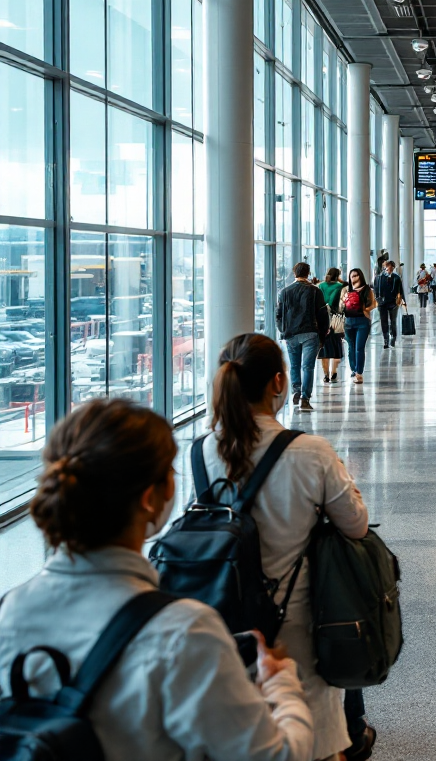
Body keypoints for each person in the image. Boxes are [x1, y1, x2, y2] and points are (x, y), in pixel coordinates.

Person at [0, 398, 314, 760]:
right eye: (171, 472)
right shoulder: (184, 632)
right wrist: (281, 683)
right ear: (151, 498)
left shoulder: (9, 611)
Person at [206, 335, 372, 760]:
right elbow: (356, 526)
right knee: (316, 737)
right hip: (297, 623)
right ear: (279, 381)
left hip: (224, 621)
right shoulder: (310, 452)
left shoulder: (202, 451)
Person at [275, 261, 329, 412]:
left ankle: (296, 391)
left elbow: (278, 315)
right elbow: (323, 315)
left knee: (294, 365)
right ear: (308, 273)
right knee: (308, 367)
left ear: (294, 273)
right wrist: (322, 336)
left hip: (291, 334)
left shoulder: (284, 292)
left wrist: (283, 330)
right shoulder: (315, 291)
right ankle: (305, 398)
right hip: (310, 333)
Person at [342, 269, 377, 384]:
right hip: (348, 321)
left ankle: (359, 373)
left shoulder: (367, 290)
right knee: (351, 347)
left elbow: (373, 304)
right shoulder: (347, 290)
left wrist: (364, 309)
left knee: (359, 347)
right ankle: (353, 369)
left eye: (357, 275)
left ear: (361, 276)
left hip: (362, 321)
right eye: (352, 276)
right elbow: (341, 305)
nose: (355, 278)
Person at [318, 267, 346, 384]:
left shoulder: (321, 285)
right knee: (335, 346)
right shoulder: (340, 286)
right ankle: (334, 372)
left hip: (322, 319)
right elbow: (347, 284)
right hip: (335, 319)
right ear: (337, 276)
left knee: (323, 347)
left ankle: (326, 375)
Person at [373, 259, 404, 348]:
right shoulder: (379, 277)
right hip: (382, 303)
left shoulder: (396, 278)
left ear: (393, 267)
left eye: (388, 266)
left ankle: (393, 337)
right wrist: (377, 299)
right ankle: (386, 339)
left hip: (393, 303)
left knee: (393, 321)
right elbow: (375, 289)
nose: (386, 268)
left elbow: (400, 290)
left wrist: (402, 301)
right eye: (385, 266)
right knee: (384, 322)